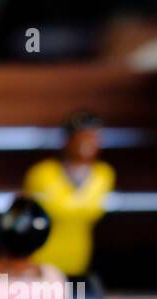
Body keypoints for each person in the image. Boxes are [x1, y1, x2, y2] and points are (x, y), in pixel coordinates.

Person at [23, 111, 114, 277]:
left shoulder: (104, 173)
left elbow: (90, 211)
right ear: (67, 140)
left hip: (79, 259)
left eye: (93, 138)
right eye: (82, 137)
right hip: (42, 260)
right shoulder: (42, 173)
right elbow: (62, 209)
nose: (88, 143)